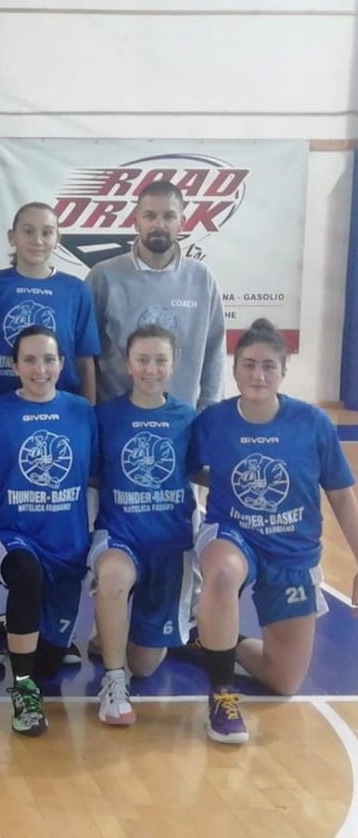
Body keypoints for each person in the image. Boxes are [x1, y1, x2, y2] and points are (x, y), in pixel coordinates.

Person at [188, 318, 358, 744]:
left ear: (283, 371)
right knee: (222, 572)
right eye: (248, 364)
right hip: (233, 534)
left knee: (284, 680)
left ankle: (209, 638)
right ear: (235, 369)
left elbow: (342, 496)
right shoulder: (213, 421)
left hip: (292, 551)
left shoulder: (312, 423)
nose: (258, 375)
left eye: (268, 366)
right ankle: (221, 693)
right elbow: (190, 471)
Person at [0, 202, 100, 666]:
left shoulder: (74, 291)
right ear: (12, 236)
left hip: (57, 418)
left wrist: (88, 416)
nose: (38, 240)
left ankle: (42, 624)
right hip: (0, 421)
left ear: (58, 238)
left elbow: (85, 359)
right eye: (28, 231)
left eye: (47, 231)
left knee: (54, 518)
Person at [0, 326, 98, 736]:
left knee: (49, 663)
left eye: (48, 359)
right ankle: (23, 690)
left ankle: (22, 636)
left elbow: (95, 472)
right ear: (15, 365)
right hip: (8, 535)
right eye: (30, 360)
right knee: (26, 573)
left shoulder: (82, 412)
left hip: (67, 546)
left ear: (61, 364)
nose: (40, 369)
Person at [89, 324, 196, 726]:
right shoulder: (106, 416)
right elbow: (91, 474)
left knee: (146, 665)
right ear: (127, 364)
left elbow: (204, 470)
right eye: (143, 360)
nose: (151, 369)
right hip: (121, 536)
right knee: (113, 576)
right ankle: (114, 682)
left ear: (174, 364)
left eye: (160, 360)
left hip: (170, 546)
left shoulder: (188, 418)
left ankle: (119, 635)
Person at [86, 180, 225, 410]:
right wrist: (90, 412)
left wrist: (209, 412)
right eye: (149, 216)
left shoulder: (202, 279)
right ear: (136, 221)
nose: (159, 224)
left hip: (183, 421)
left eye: (169, 216)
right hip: (116, 420)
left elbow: (215, 355)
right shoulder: (104, 277)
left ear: (182, 223)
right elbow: (85, 355)